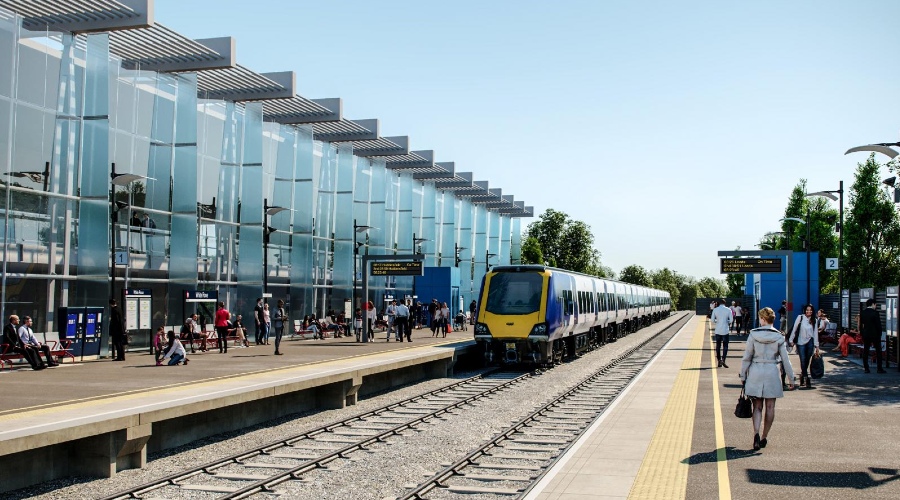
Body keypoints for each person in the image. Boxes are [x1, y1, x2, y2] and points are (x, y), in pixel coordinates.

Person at [739, 307, 795, 451]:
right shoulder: (779, 336)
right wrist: (791, 379)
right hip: (772, 372)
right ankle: (764, 436)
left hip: (756, 371)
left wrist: (743, 374)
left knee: (757, 406)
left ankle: (756, 433)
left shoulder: (753, 334)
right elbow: (785, 360)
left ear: (763, 319)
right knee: (770, 407)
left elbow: (747, 357)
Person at [788, 304, 819, 388]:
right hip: (800, 342)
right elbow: (794, 328)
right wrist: (791, 340)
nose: (809, 311)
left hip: (810, 341)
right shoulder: (800, 317)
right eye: (807, 310)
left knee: (807, 359)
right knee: (803, 359)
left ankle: (802, 375)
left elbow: (815, 333)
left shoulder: (814, 320)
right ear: (804, 310)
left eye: (811, 310)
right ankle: (806, 378)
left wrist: (817, 346)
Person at [859, 298, 886, 374]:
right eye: (875, 304)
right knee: (878, 351)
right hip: (875, 335)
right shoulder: (875, 313)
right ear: (873, 304)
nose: (875, 306)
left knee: (866, 351)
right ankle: (879, 368)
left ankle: (866, 368)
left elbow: (861, 325)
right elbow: (878, 325)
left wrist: (862, 333)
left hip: (866, 334)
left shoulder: (863, 313)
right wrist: (879, 334)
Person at [711, 299, 732, 368]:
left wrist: (718, 322)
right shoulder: (728, 310)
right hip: (725, 330)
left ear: (719, 303)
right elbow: (731, 320)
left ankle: (719, 360)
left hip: (718, 330)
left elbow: (712, 320)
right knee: (725, 346)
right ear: (725, 303)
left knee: (718, 346)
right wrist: (726, 322)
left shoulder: (715, 310)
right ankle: (723, 359)